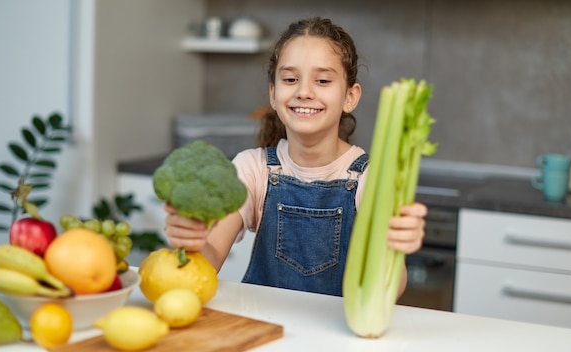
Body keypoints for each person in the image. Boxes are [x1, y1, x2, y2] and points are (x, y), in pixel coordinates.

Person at [164, 17, 427, 297]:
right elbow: (210, 256)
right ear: (274, 95)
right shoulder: (253, 169)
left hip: (335, 336)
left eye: (322, 80)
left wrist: (394, 249)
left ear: (350, 96)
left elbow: (389, 290)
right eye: (290, 79)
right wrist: (191, 241)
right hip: (264, 330)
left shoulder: (369, 178)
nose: (304, 92)